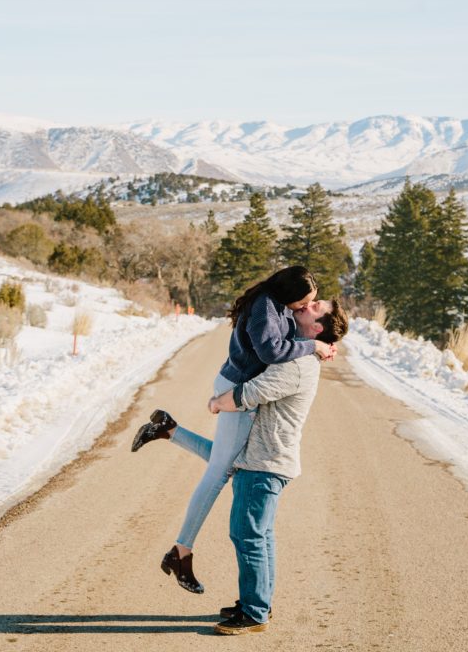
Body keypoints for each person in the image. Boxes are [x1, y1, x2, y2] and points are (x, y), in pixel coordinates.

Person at [130, 265, 336, 593]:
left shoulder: (275, 304)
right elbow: (272, 351)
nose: (302, 308)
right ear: (289, 294)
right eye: (303, 302)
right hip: (236, 388)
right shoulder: (266, 310)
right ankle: (181, 551)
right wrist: (313, 346)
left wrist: (320, 343)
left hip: (235, 381)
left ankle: (167, 430)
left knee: (227, 461)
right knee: (219, 473)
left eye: (309, 305)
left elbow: (289, 338)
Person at [210, 298, 350, 634]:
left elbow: (251, 393)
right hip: (266, 460)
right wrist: (318, 344)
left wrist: (217, 403)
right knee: (261, 535)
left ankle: (254, 612)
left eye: (316, 307)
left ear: (317, 327)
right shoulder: (301, 351)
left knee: (247, 535)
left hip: (265, 462)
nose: (307, 304)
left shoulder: (298, 364)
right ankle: (257, 602)